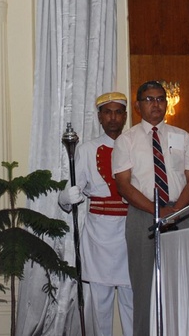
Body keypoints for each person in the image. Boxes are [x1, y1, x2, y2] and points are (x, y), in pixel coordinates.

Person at [112, 81, 189, 336]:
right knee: (144, 288)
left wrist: (176, 211)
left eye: (161, 99)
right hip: (143, 215)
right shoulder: (126, 140)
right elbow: (123, 185)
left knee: (183, 283)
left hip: (180, 214)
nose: (156, 104)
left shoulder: (182, 136)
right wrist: (156, 211)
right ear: (138, 105)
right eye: (149, 100)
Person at [58, 92, 133, 336]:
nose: (113, 118)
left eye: (118, 112)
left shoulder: (135, 145)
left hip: (131, 228)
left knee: (131, 299)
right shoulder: (87, 149)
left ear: (125, 116)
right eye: (107, 112)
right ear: (100, 117)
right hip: (99, 233)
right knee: (100, 301)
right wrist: (66, 197)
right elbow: (71, 189)